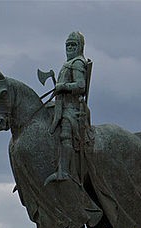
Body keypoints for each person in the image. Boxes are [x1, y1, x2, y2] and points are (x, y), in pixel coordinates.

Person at [46, 31, 93, 185]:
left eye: (73, 45)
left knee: (65, 131)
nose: (70, 48)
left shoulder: (78, 63)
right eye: (68, 45)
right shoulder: (67, 64)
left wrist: (63, 86)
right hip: (61, 105)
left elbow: (81, 85)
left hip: (72, 108)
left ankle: (64, 171)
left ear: (80, 47)